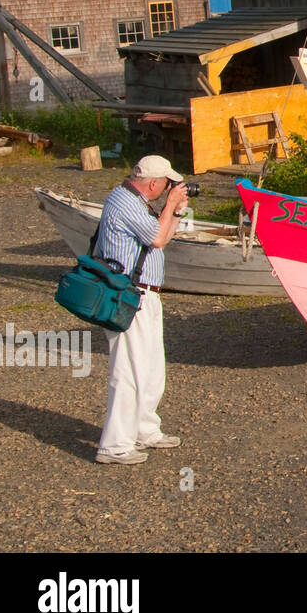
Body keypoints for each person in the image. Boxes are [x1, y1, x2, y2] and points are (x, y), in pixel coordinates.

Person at [92, 155, 190, 465]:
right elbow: (158, 239)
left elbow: (162, 236)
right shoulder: (126, 204)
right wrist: (170, 205)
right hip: (128, 297)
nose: (167, 188)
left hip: (145, 296)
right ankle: (115, 445)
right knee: (128, 371)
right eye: (166, 185)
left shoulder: (134, 200)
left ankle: (145, 429)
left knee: (150, 367)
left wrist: (173, 211)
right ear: (153, 183)